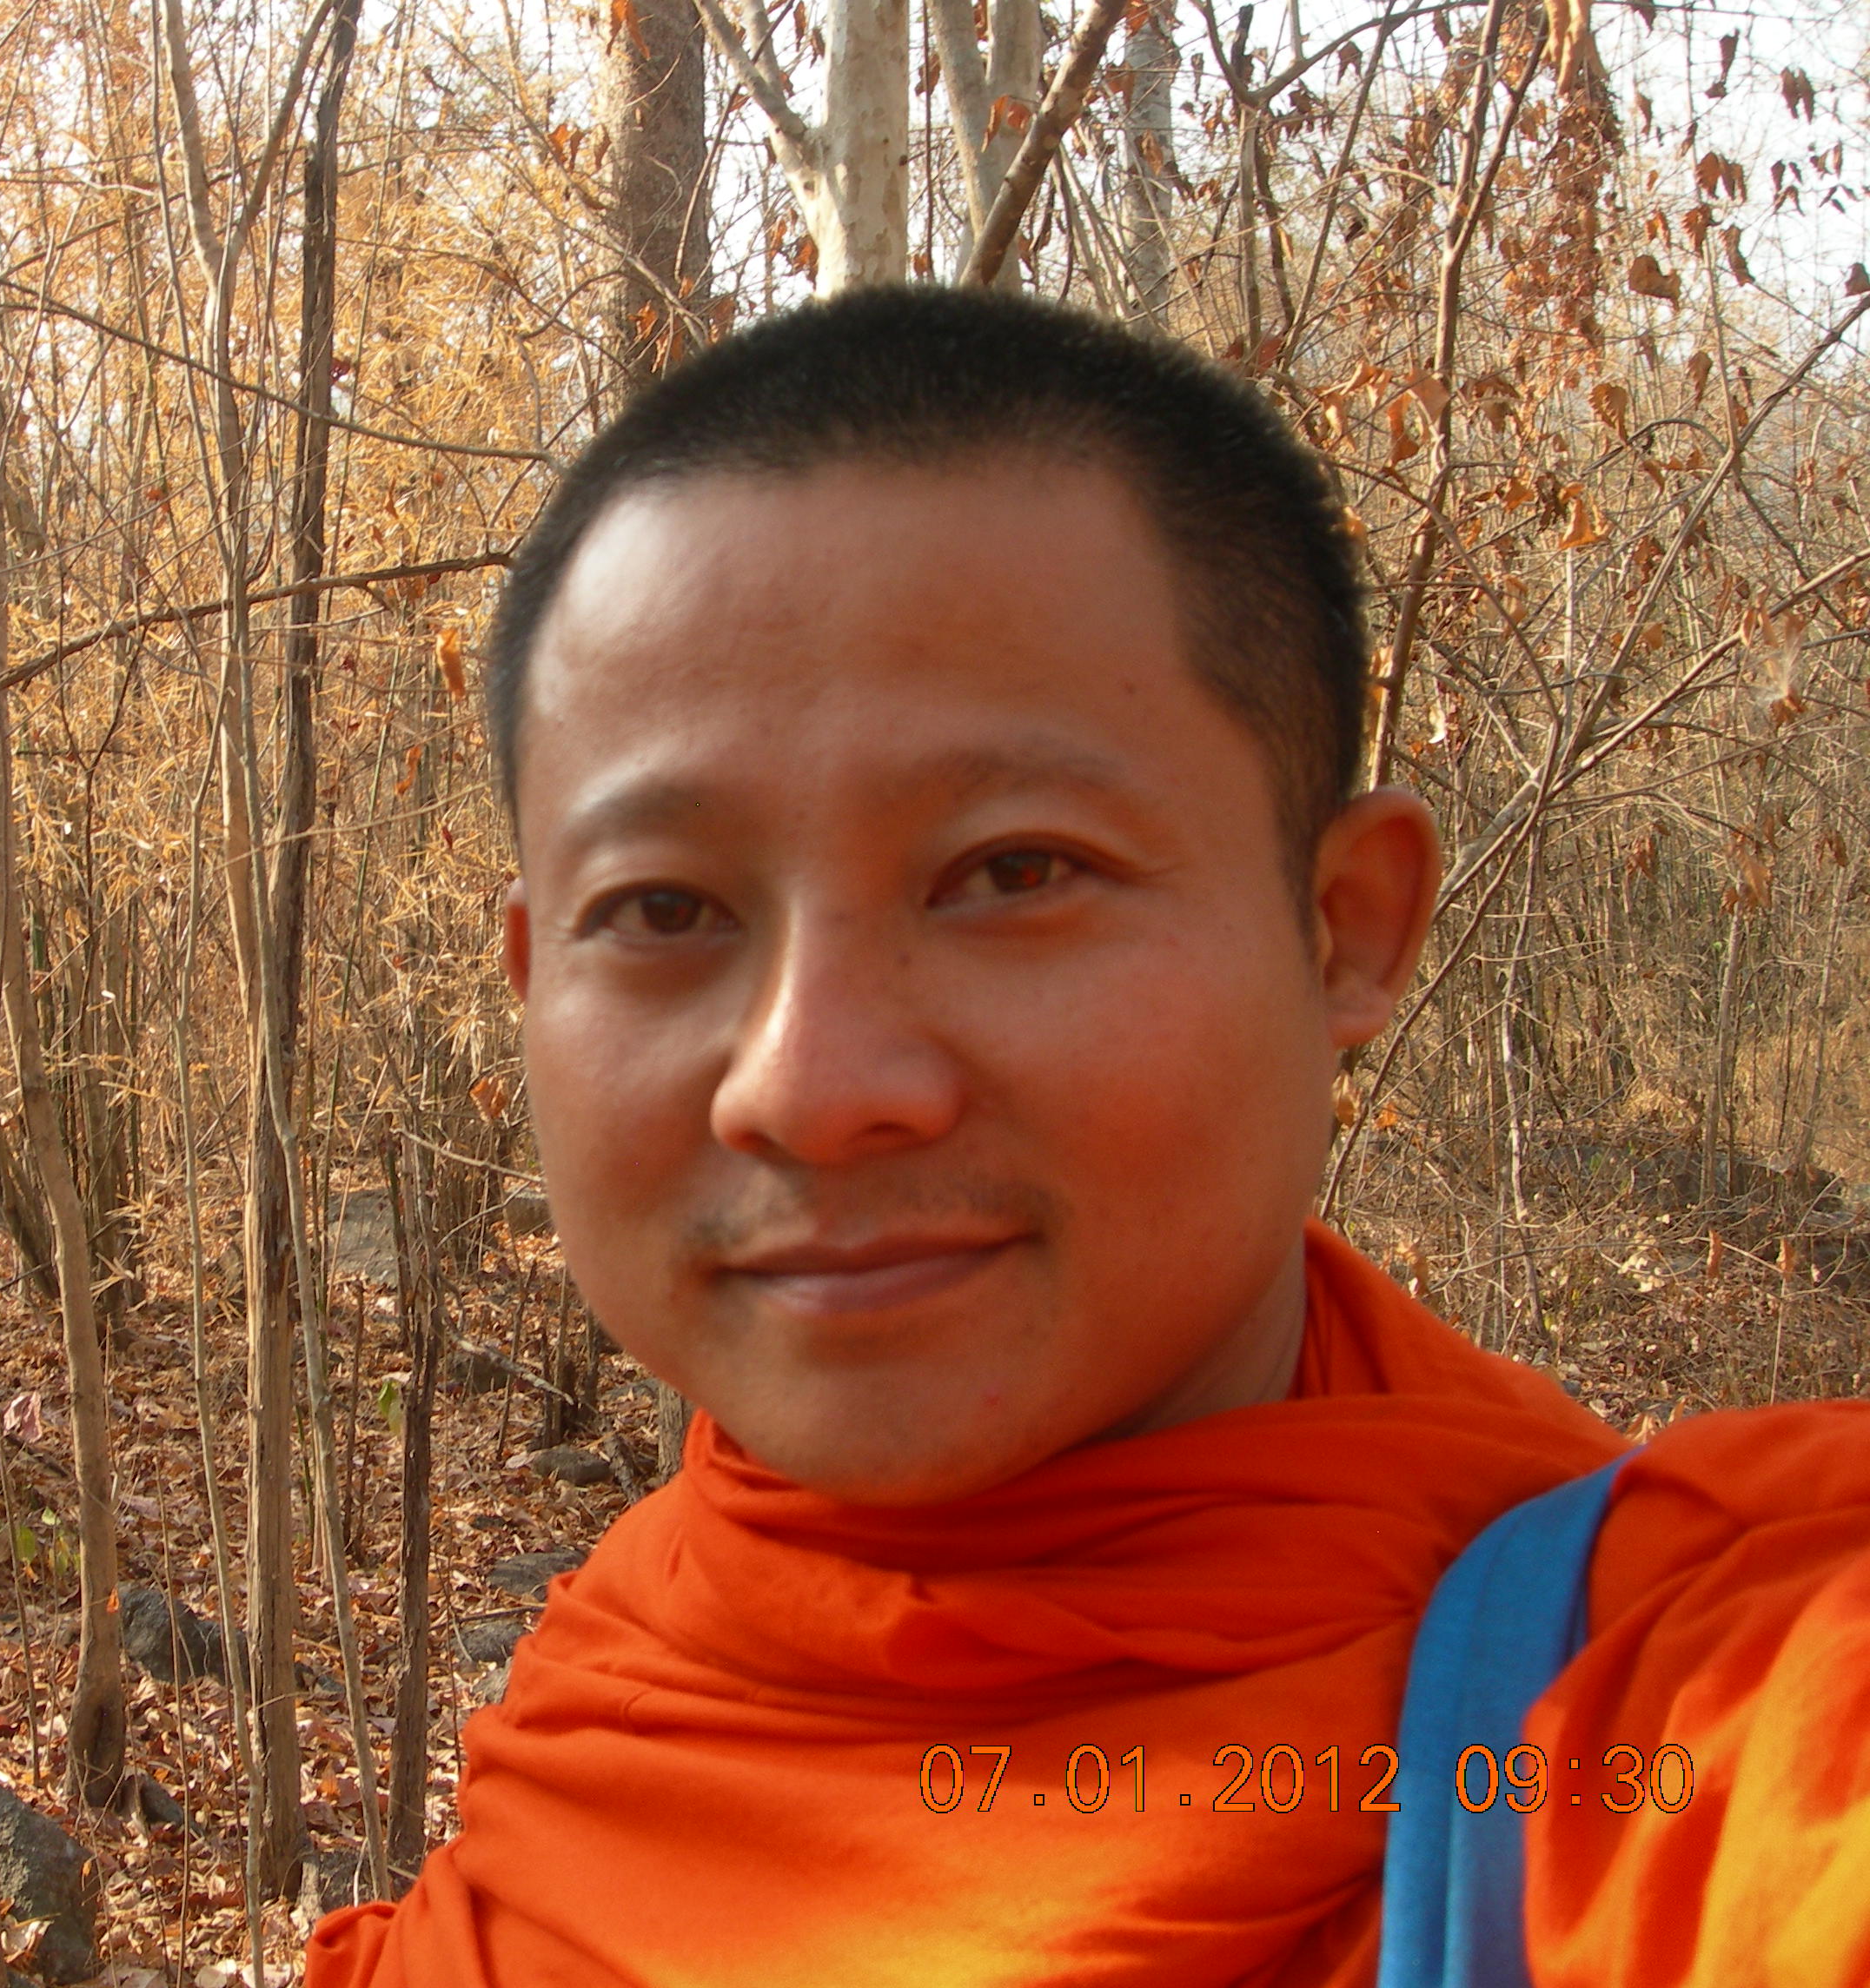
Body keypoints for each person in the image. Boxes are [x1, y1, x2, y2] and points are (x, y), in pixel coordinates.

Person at [304, 288, 1870, 1987]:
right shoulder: (598, 1721)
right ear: (534, 980)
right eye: (663, 907)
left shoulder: (1677, 1713)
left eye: (1015, 872)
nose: (809, 1087)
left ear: (1342, 927)